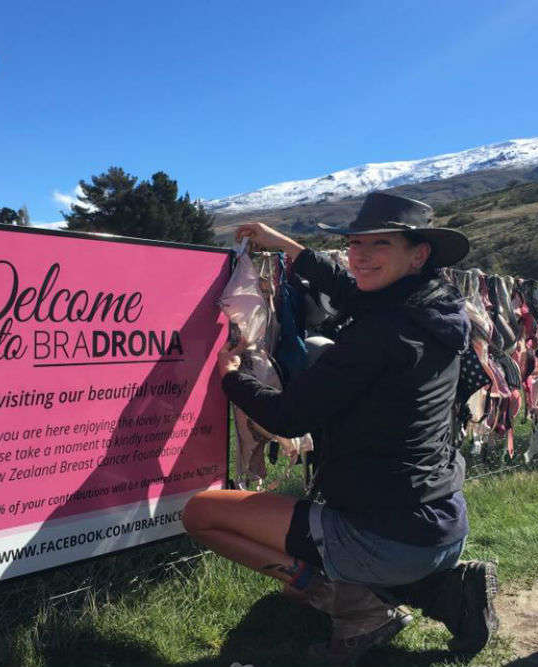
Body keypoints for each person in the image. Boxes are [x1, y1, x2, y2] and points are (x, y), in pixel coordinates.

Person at [183, 192, 498, 664]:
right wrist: (287, 246)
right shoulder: (433, 307)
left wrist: (231, 376)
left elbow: (289, 417)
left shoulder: (380, 335)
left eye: (380, 244)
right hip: (441, 522)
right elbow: (351, 289)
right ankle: (443, 590)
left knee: (201, 514)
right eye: (355, 243)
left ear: (419, 253)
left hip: (388, 535)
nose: (360, 255)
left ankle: (359, 606)